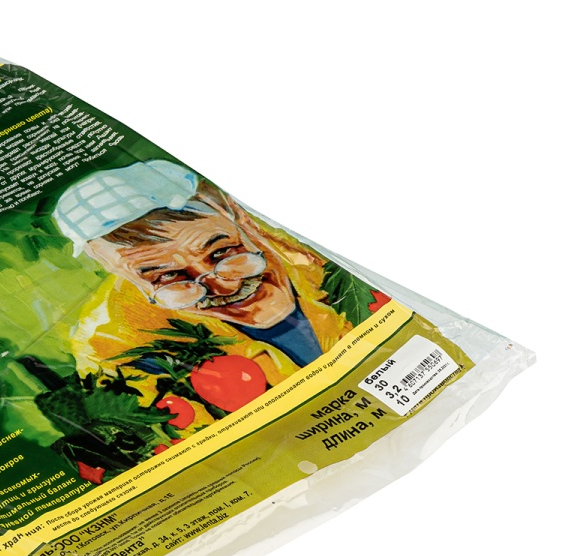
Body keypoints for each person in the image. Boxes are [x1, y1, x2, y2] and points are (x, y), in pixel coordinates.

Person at [53, 160, 357, 417]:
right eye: (169, 277)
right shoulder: (113, 346)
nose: (221, 288)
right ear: (122, 275)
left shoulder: (318, 242)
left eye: (222, 252)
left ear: (239, 218)